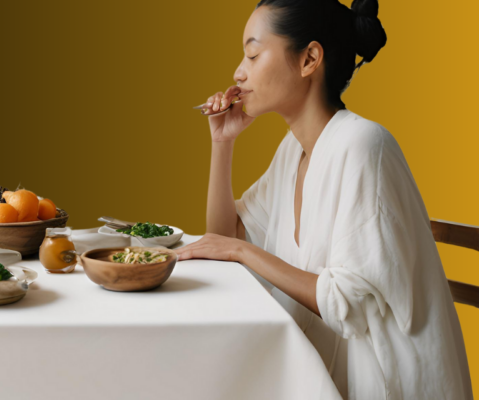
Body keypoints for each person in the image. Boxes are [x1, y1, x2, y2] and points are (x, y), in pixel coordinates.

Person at [174, 0, 472, 398]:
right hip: (319, 371)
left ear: (310, 59)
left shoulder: (364, 145)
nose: (238, 72)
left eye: (253, 54)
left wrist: (241, 253)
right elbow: (225, 236)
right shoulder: (293, 151)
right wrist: (221, 143)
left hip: (383, 382)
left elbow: (345, 302)